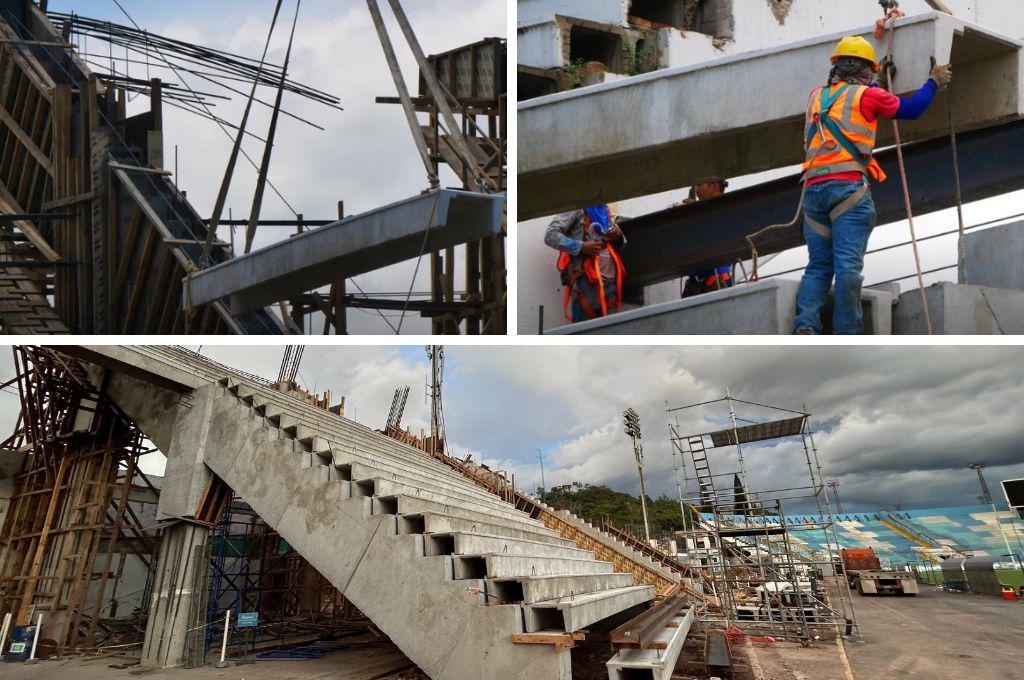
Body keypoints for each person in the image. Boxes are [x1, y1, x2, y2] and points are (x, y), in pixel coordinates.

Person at [793, 35, 952, 334]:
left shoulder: (816, 95)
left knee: (818, 267)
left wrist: (878, 81)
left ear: (837, 67)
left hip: (812, 191)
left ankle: (805, 327)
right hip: (847, 190)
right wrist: (933, 81)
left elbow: (851, 102)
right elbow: (912, 109)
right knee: (848, 269)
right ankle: (846, 333)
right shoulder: (868, 96)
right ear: (866, 69)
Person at [544, 205, 626, 323]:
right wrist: (581, 246)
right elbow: (550, 235)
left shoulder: (603, 209)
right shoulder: (576, 208)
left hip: (609, 285)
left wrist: (617, 235)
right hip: (586, 285)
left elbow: (622, 240)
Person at [680, 181, 734, 298]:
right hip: (697, 284)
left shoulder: (724, 211)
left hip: (715, 282)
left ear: (714, 186)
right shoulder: (709, 213)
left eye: (699, 185)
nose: (696, 190)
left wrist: (692, 215)